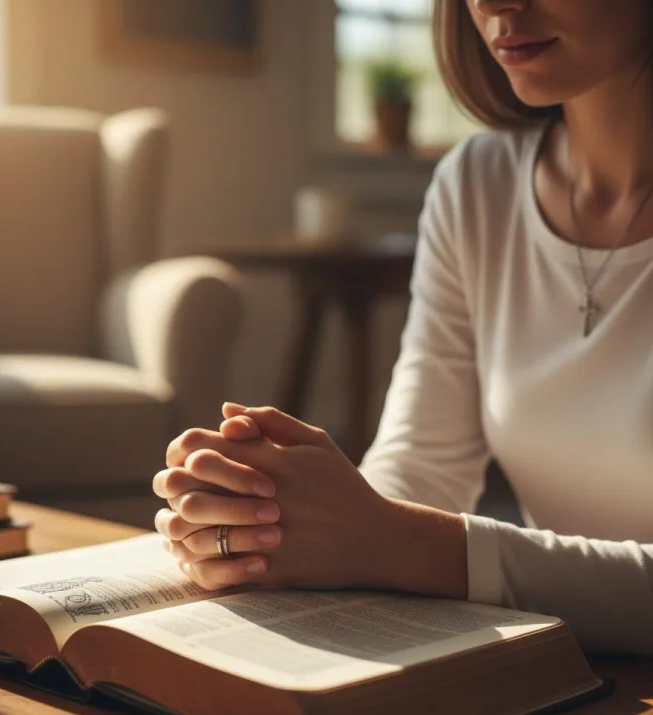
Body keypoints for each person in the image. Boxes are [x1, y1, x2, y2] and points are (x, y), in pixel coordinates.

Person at [152, 0, 653, 654]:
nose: (497, 4)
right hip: (577, 675)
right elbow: (421, 468)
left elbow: (400, 538)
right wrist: (279, 519)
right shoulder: (479, 186)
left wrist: (396, 542)